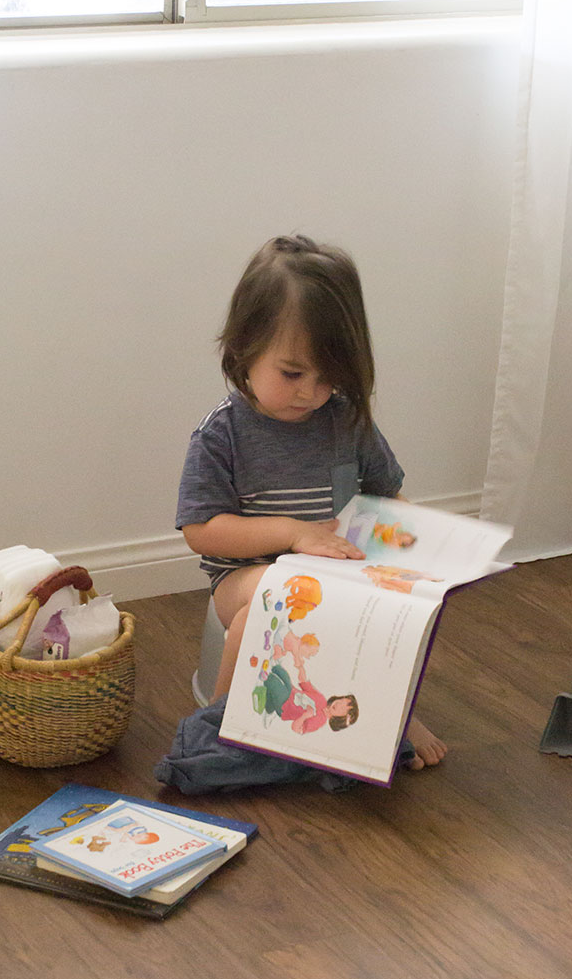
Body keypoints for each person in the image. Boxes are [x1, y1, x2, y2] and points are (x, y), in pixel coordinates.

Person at [176, 234, 446, 770]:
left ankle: (390, 713)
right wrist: (294, 534)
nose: (310, 393)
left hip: (340, 571)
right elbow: (202, 530)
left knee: (391, 611)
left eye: (328, 378)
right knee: (272, 605)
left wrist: (430, 544)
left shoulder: (346, 421)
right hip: (247, 574)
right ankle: (222, 728)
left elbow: (387, 497)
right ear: (243, 348)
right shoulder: (222, 434)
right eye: (294, 373)